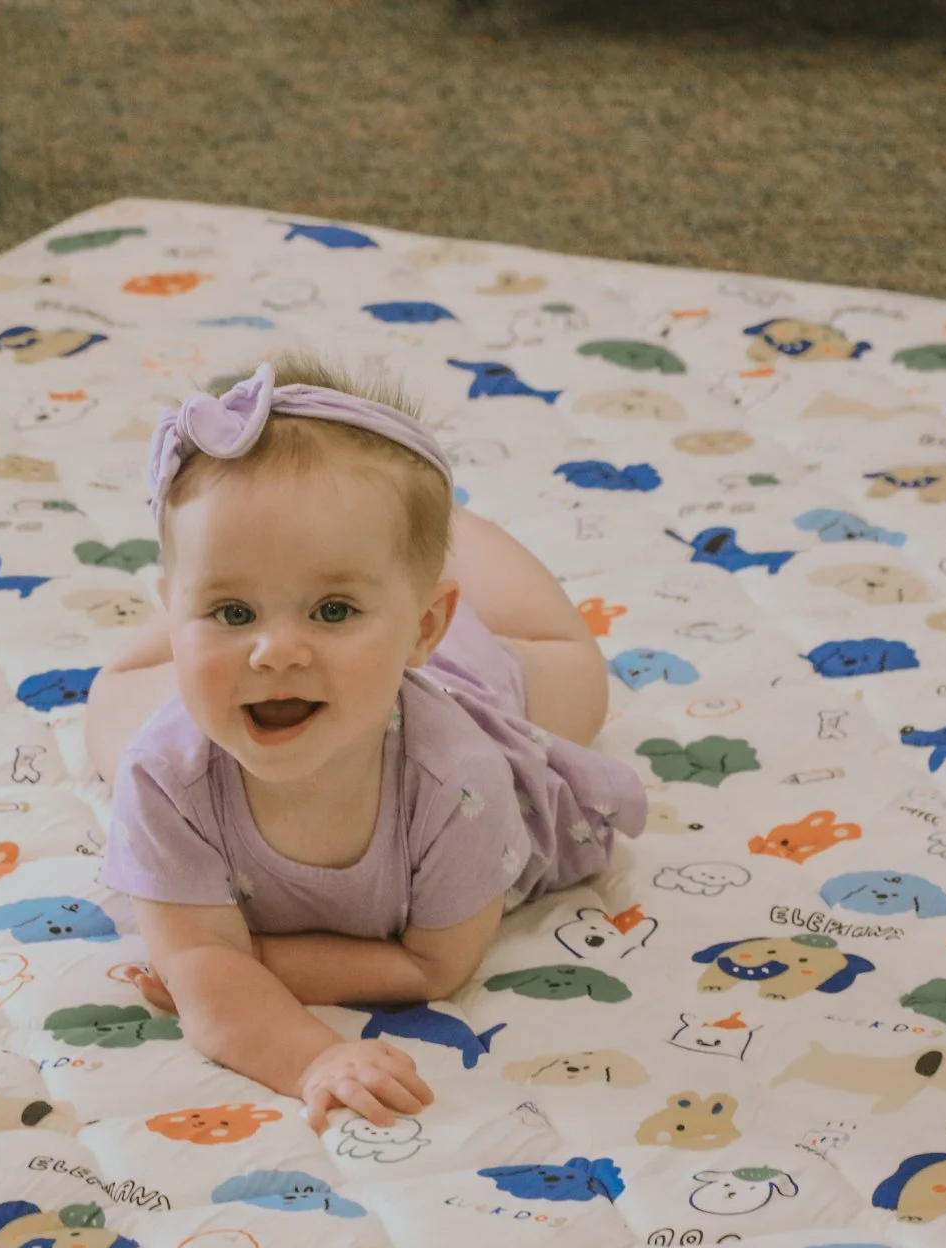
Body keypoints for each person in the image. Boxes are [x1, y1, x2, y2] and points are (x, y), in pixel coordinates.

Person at [84, 353, 646, 1132]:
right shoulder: (166, 776)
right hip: (233, 690)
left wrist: (224, 959)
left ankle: (445, 540)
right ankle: (265, 584)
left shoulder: (461, 780)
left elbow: (435, 965)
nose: (276, 650)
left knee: (572, 666)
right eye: (234, 612)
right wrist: (302, 1049)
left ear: (423, 626)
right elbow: (203, 982)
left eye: (334, 609)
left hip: (469, 677)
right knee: (112, 701)